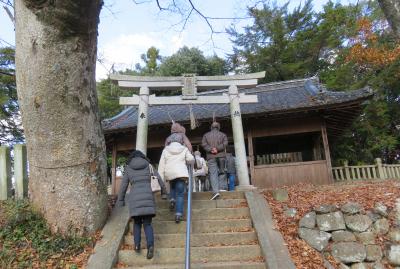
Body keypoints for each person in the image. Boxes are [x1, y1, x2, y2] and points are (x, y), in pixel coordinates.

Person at [116, 150, 167, 260]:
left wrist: (120, 201)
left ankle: (137, 245)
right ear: (143, 157)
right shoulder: (148, 166)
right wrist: (164, 193)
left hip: (135, 200)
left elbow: (123, 185)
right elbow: (159, 179)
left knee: (137, 223)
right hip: (148, 198)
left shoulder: (129, 168)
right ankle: (150, 246)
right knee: (148, 224)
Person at [158, 141, 194, 223]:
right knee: (180, 195)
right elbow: (191, 159)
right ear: (180, 142)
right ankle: (178, 214)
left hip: (170, 173)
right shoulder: (184, 149)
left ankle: (172, 200)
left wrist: (160, 177)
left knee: (172, 186)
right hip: (181, 173)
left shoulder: (166, 150)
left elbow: (161, 164)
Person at [201, 121, 228, 200]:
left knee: (213, 173)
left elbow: (204, 144)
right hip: (221, 156)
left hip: (211, 156)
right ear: (218, 127)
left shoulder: (206, 135)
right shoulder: (223, 135)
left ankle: (216, 191)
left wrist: (211, 149)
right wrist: (217, 149)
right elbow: (225, 143)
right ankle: (222, 188)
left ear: (211, 127)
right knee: (222, 171)